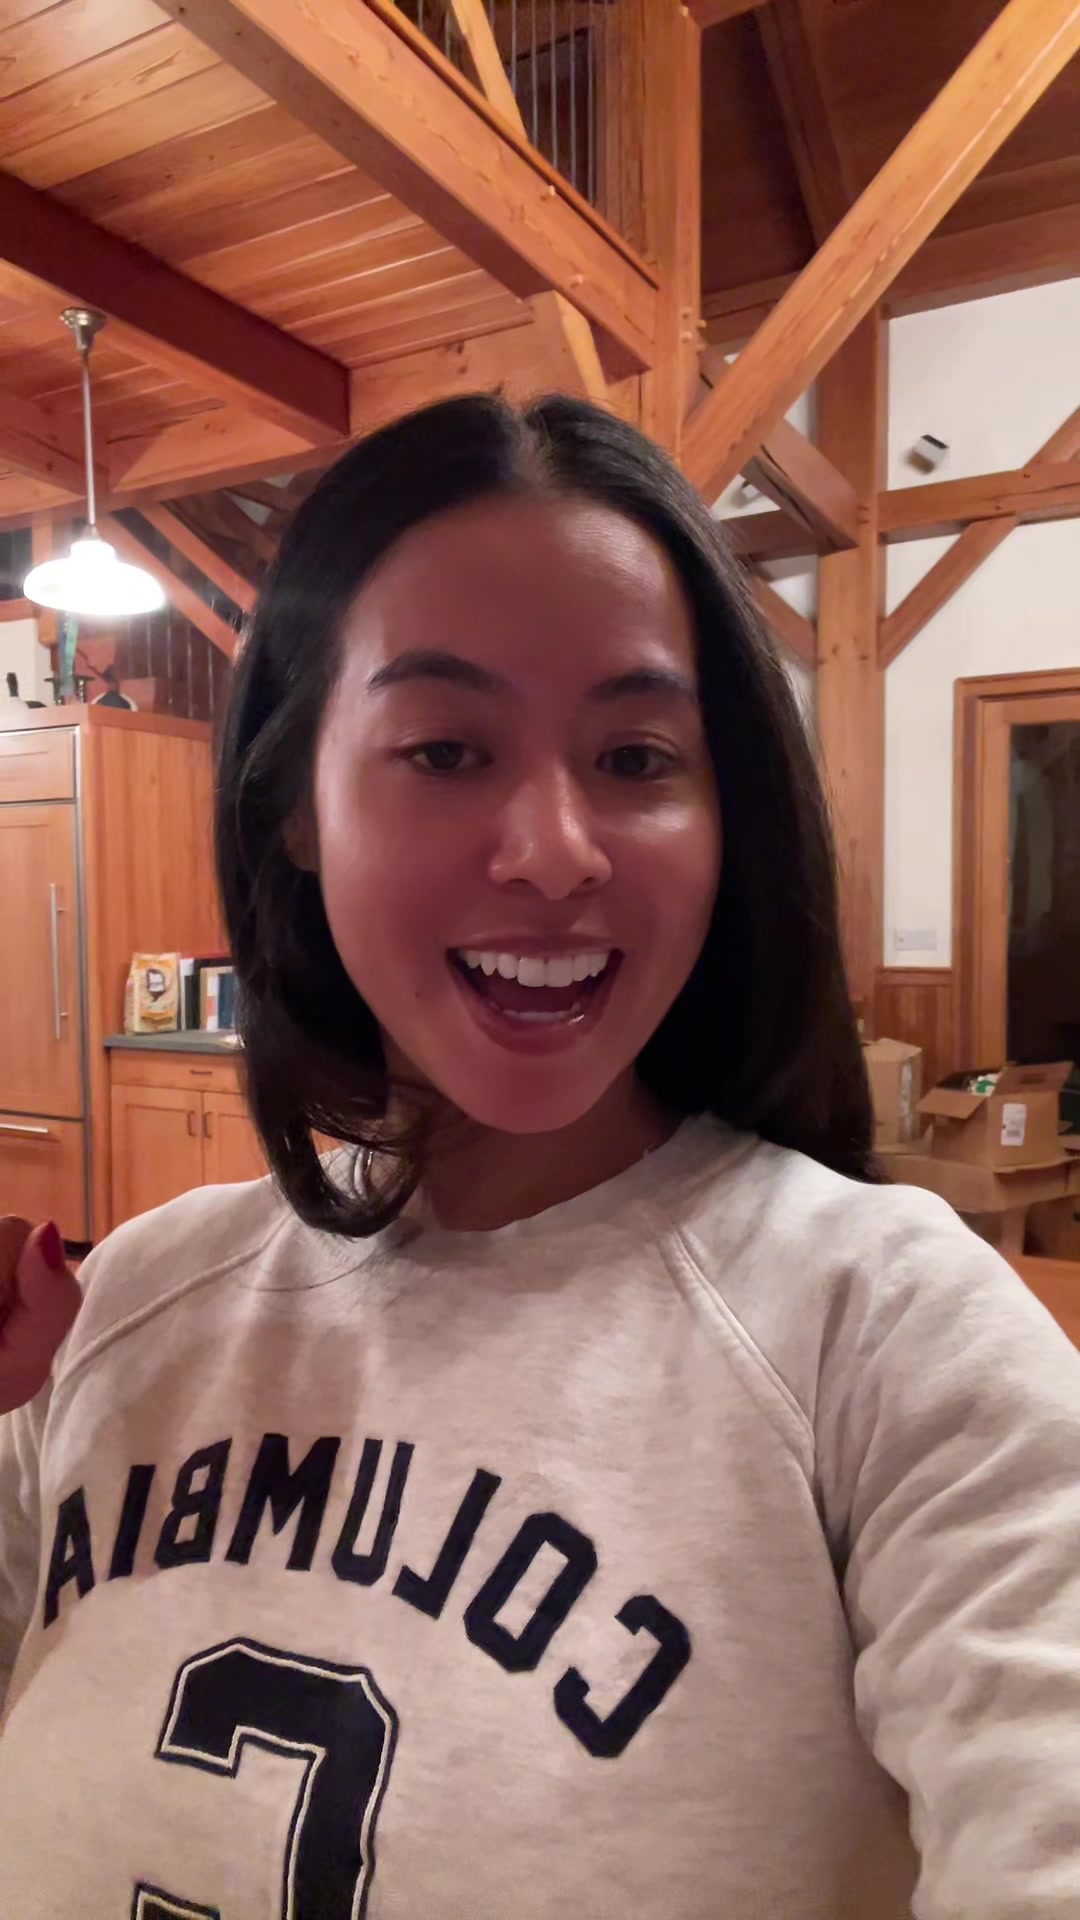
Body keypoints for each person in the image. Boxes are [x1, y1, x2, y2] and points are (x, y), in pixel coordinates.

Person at [0, 393, 1077, 1919]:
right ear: (295, 806)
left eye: (637, 756)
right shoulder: (122, 1313)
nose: (558, 850)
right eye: (446, 749)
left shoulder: (889, 1336)